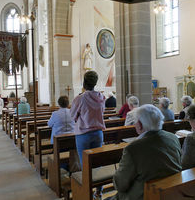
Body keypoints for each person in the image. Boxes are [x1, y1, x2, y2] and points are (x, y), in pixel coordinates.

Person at [107, 104, 181, 200]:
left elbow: (120, 185)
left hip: (145, 195)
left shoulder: (133, 149)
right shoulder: (173, 138)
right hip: (170, 192)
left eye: (135, 122)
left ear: (140, 125)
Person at [70, 71, 105, 199]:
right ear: (95, 83)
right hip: (98, 133)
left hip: (83, 134)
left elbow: (72, 115)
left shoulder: (80, 98)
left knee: (85, 165)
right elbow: (101, 112)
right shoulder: (101, 97)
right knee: (97, 163)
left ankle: (87, 193)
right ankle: (99, 192)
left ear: (84, 83)